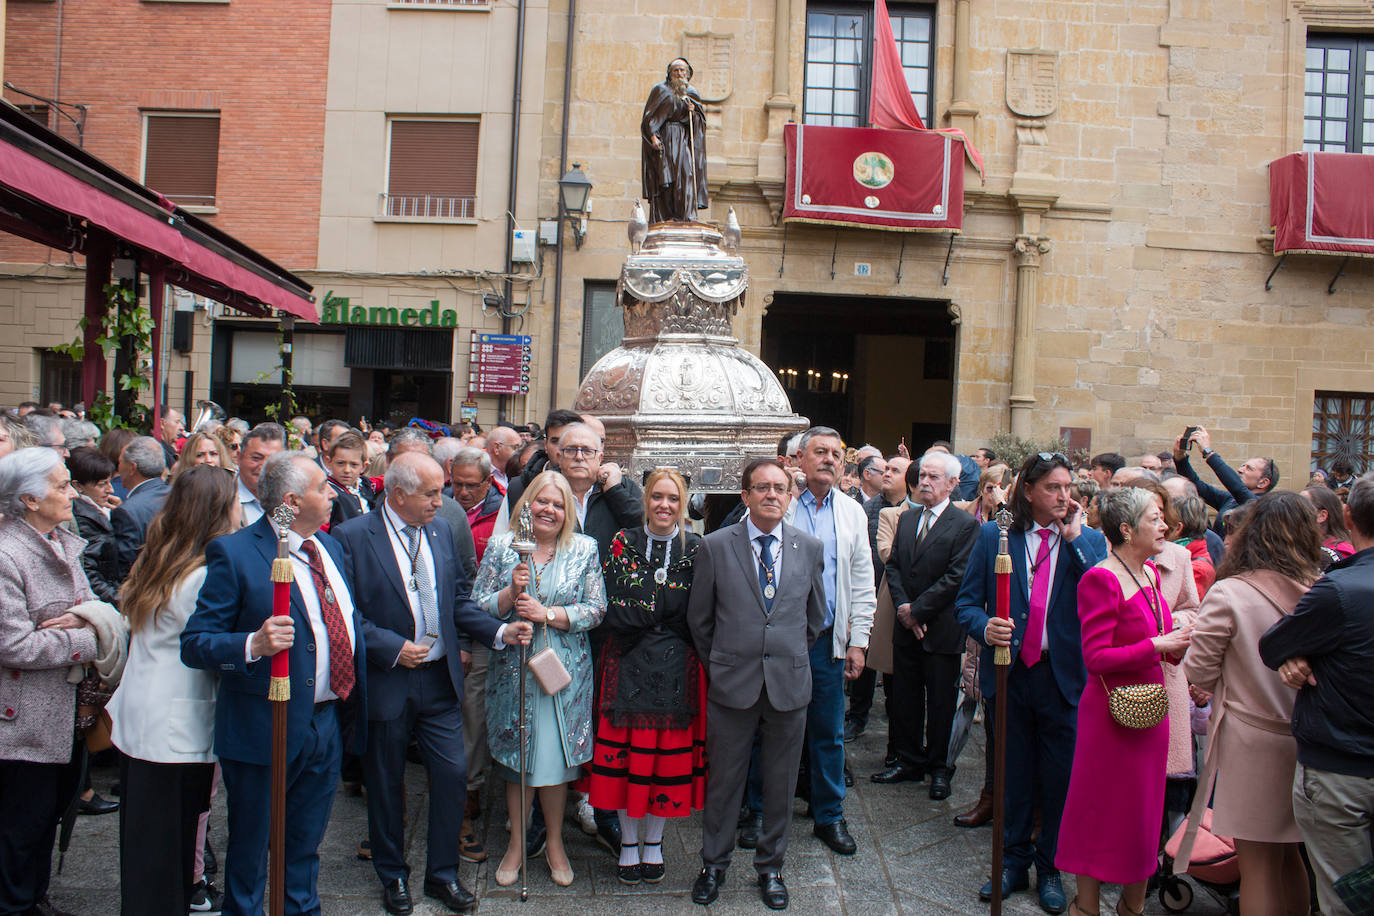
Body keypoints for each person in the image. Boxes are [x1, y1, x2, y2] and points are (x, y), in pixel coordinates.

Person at [333, 453, 530, 915]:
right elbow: (344, 614)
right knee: (385, 782)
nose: (441, 502)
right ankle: (393, 875)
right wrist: (390, 647)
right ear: (398, 494)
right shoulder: (353, 537)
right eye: (430, 493)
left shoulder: (439, 531)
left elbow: (457, 599)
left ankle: (443, 875)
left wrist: (497, 633)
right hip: (388, 680)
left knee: (451, 776)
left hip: (439, 681)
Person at [180, 451, 368, 916]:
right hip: (264, 723)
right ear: (291, 501)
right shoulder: (237, 553)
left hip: (324, 720)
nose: (333, 494)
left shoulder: (330, 547)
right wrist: (252, 644)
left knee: (305, 841)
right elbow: (196, 644)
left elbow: (343, 622)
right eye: (322, 487)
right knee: (252, 843)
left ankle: (302, 909)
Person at [955, 451, 1108, 914]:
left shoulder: (1088, 540)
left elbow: (1104, 596)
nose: (1063, 496)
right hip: (1011, 673)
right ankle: (1012, 861)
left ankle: (1051, 867)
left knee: (1059, 779)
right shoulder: (995, 535)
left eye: (1067, 487)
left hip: (1063, 678)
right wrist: (984, 627)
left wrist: (1075, 540)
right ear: (1028, 490)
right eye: (1052, 488)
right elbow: (966, 603)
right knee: (1013, 773)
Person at [686, 458, 827, 911]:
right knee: (725, 781)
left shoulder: (809, 547)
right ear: (745, 495)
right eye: (761, 487)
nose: (771, 495)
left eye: (779, 488)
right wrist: (724, 663)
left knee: (781, 783)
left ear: (790, 496)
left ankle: (771, 867)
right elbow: (700, 621)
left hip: (788, 683)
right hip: (732, 682)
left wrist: (787, 655)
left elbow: (815, 619)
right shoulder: (715, 546)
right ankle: (713, 864)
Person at [1180, 491, 1324, 916]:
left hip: (1250, 740)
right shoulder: (1321, 589)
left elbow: (1198, 670)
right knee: (1291, 854)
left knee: (1258, 864)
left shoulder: (1230, 593)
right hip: (1307, 738)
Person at [108, 466, 238, 915]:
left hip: (144, 711)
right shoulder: (204, 573)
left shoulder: (160, 556)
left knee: (148, 840)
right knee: (166, 845)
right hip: (175, 722)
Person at [1056, 487, 1191, 916]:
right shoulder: (1101, 578)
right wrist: (1158, 645)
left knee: (1143, 811)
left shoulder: (1150, 574)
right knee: (1098, 809)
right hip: (1110, 716)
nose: (1164, 525)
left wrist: (1178, 642)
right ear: (1128, 529)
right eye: (1155, 518)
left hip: (1150, 710)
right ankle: (1086, 907)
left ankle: (1132, 907)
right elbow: (1095, 658)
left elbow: (1161, 637)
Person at [472, 470, 607, 889]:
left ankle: (554, 842)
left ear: (568, 511)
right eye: (541, 501)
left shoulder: (584, 548)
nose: (549, 510)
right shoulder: (502, 546)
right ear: (526, 505)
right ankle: (516, 844)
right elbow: (478, 604)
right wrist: (510, 595)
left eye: (558, 504)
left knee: (554, 761)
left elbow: (596, 609)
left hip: (561, 674)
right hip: (514, 669)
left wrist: (548, 614)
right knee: (519, 762)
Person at [1260, 476, 1374, 916]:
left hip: (1341, 770)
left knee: (1346, 902)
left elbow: (1273, 645)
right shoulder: (1340, 588)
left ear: (1346, 516)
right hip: (1342, 765)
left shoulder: (1339, 590)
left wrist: (1298, 652)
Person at [587, 469, 706, 886]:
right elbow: (617, 603)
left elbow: (693, 609)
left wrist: (652, 604)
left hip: (678, 668)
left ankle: (653, 842)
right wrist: (661, 606)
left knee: (662, 762)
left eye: (673, 498)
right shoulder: (625, 540)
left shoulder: (695, 548)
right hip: (626, 660)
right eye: (657, 496)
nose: (664, 505)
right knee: (628, 761)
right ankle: (627, 843)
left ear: (683, 503)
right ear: (645, 500)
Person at [0, 447, 105, 916]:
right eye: (62, 486)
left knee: (48, 818)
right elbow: (14, 645)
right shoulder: (7, 553)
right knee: (21, 827)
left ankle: (34, 899)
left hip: (67, 714)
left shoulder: (62, 540)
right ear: (28, 499)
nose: (73, 493)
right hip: (22, 721)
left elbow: (93, 610)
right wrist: (86, 638)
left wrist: (87, 624)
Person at [779, 426, 875, 856]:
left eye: (837, 454)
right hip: (780, 641)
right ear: (799, 458)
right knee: (774, 730)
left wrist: (859, 640)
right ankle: (763, 811)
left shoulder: (852, 512)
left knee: (828, 732)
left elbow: (862, 579)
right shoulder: (781, 502)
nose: (830, 460)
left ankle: (830, 815)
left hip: (826, 641)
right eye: (820, 452)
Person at [875, 452, 980, 799]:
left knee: (940, 702)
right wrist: (904, 609)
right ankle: (908, 760)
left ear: (952, 483)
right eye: (922, 476)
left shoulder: (964, 525)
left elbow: (956, 576)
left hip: (941, 628)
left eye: (933, 477)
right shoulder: (907, 519)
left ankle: (939, 767)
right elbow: (894, 566)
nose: (924, 482)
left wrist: (918, 612)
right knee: (904, 698)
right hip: (906, 626)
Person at [846, 454, 910, 743]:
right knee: (866, 658)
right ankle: (857, 716)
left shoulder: (913, 511)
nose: (887, 473)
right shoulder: (868, 509)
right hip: (871, 591)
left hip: (900, 596)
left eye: (895, 470)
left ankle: (898, 723)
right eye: (885, 468)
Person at [1173, 427, 1277, 536]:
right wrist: (1180, 458)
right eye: (1243, 466)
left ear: (1263, 482)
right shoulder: (1230, 499)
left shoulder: (1262, 506)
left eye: (1249, 468)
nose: (1240, 470)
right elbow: (1197, 486)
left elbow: (1237, 488)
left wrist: (1208, 452)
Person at [641, 57, 708, 223]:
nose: (679, 73)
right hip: (665, 138)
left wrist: (693, 113)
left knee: (686, 174)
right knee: (665, 177)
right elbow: (649, 117)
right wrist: (653, 136)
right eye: (675, 70)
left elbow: (698, 125)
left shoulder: (691, 93)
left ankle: (685, 215)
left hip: (683, 140)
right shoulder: (660, 90)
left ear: (688, 73)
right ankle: (666, 215)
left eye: (682, 70)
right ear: (669, 74)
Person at [67, 445, 121, 606]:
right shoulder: (82, 520)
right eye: (102, 484)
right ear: (78, 486)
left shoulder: (95, 511)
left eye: (109, 482)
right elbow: (89, 574)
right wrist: (120, 601)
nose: (110, 490)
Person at [111, 436, 170, 582]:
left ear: (132, 468)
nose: (118, 468)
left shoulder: (126, 512)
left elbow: (125, 571)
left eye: (120, 462)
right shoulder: (179, 495)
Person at [234, 422, 286, 526]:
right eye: (256, 458)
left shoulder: (290, 498)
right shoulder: (222, 498)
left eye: (273, 460)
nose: (264, 467)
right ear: (239, 457)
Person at [324, 430, 374, 531]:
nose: (347, 470)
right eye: (340, 463)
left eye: (354, 465)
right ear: (329, 462)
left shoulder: (364, 485)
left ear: (363, 467)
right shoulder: (326, 492)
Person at [1171, 494, 1216, 598]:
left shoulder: (1198, 570)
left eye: (1166, 520)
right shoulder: (1189, 557)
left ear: (1178, 528)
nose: (1162, 526)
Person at [1301, 484, 1355, 568]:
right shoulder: (1302, 545)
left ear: (1322, 515)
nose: (1294, 512)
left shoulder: (1342, 555)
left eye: (1301, 507)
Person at [484, 424, 522, 492]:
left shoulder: (518, 472)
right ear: (497, 448)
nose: (520, 452)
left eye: (521, 448)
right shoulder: (479, 473)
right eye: (515, 447)